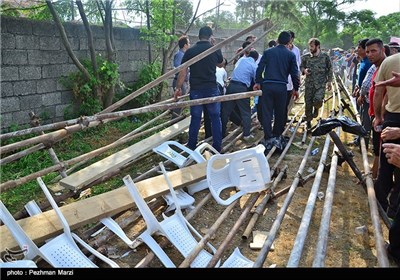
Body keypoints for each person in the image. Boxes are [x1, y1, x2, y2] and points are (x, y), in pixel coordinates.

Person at [174, 26, 223, 152]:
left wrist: (178, 88)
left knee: (195, 118)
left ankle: (191, 146)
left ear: (199, 36)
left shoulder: (190, 51)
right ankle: (217, 146)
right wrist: (216, 47)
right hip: (211, 88)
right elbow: (221, 63)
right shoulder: (214, 49)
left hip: (196, 90)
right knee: (215, 117)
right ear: (210, 36)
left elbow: (183, 71)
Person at [254, 31, 299, 152]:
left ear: (277, 40)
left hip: (267, 85)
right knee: (280, 112)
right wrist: (296, 88)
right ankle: (277, 134)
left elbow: (260, 68)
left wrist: (258, 82)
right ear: (289, 42)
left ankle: (268, 136)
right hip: (281, 87)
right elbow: (295, 74)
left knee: (267, 112)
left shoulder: (268, 52)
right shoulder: (290, 55)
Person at [372, 53, 400, 219]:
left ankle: (379, 205)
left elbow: (379, 92)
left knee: (386, 167)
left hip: (393, 118)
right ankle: (393, 209)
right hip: (392, 120)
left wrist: (378, 117)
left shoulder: (389, 62)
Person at [221, 50, 259, 142]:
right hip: (241, 88)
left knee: (225, 111)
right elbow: (256, 79)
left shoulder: (241, 60)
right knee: (246, 112)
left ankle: (221, 133)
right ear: (256, 59)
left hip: (231, 86)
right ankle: (246, 135)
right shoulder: (254, 66)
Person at [300, 38, 333, 129]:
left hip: (320, 84)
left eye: (312, 46)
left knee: (318, 100)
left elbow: (330, 69)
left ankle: (317, 108)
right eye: (309, 46)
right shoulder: (306, 57)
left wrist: (329, 81)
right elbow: (301, 66)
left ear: (318, 46)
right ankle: (308, 122)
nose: (310, 48)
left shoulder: (325, 57)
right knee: (308, 103)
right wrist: (304, 70)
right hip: (309, 84)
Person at [171, 35, 190, 118]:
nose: (189, 44)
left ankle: (176, 119)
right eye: (188, 43)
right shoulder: (180, 55)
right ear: (185, 45)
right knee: (178, 104)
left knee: (180, 103)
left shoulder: (183, 54)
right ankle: (174, 121)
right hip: (180, 82)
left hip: (183, 82)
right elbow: (179, 69)